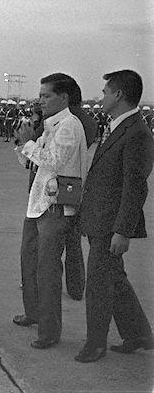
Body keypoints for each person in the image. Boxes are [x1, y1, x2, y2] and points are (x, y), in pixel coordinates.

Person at [74, 70, 154, 363]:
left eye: (106, 91)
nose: (102, 96)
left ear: (119, 95)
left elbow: (135, 188)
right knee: (114, 278)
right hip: (100, 218)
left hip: (111, 224)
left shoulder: (136, 133)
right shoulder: (120, 127)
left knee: (98, 283)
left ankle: (95, 344)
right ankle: (139, 334)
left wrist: (122, 231)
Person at [12, 73, 88, 350]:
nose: (40, 99)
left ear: (63, 97)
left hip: (56, 207)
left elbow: (55, 162)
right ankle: (33, 312)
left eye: (46, 95)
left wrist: (31, 144)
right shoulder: (50, 126)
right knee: (28, 262)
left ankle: (49, 330)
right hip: (38, 203)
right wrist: (23, 143)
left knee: (47, 270)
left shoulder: (68, 126)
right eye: (40, 94)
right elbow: (32, 165)